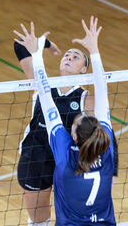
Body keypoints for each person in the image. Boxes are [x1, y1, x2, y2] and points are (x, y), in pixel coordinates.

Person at [13, 19, 118, 225]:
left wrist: (112, 172)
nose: (69, 57)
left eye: (76, 56)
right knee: (38, 219)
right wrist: (47, 44)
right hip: (36, 160)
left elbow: (107, 136)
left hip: (73, 163)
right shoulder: (41, 85)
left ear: (83, 69)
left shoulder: (87, 99)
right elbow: (19, 44)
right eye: (67, 55)